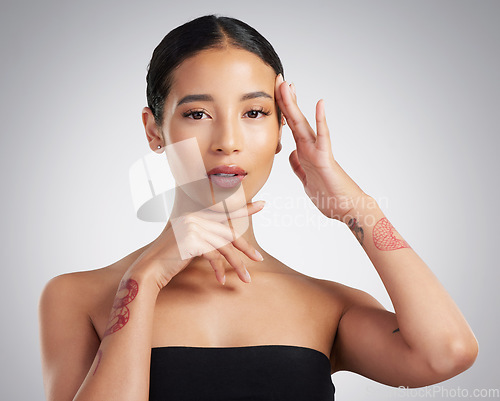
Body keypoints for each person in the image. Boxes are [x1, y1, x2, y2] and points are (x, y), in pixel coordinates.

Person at [38, 14, 478, 401]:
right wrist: (147, 275)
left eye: (254, 113)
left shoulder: (327, 305)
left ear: (280, 130)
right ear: (154, 131)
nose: (228, 140)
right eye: (197, 114)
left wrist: (355, 206)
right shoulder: (76, 297)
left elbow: (448, 353)